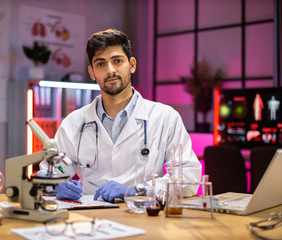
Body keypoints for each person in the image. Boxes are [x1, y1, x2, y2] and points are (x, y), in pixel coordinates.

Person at [40, 29, 202, 202]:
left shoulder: (165, 118)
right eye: (101, 64)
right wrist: (55, 186)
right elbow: (48, 173)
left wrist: (138, 191)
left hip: (144, 216)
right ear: (92, 72)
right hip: (90, 219)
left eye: (117, 61)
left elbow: (188, 177)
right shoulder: (74, 122)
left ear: (132, 65)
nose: (110, 70)